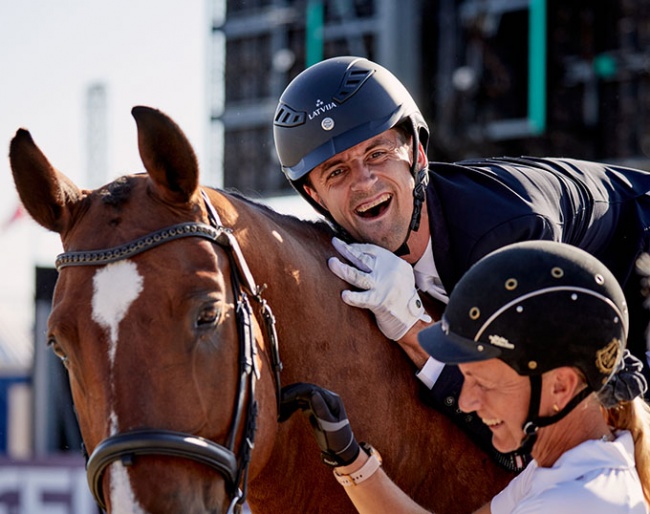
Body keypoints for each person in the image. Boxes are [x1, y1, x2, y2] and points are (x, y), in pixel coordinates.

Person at [273, 55, 650, 469]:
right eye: (336, 172)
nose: (364, 182)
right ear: (314, 197)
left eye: (378, 153)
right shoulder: (345, 247)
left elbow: (524, 430)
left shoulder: (508, 234)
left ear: (416, 154)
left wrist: (410, 327)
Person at [280, 241, 650, 513]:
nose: (468, 401)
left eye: (485, 383)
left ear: (561, 385)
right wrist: (350, 458)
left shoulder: (580, 501)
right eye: (467, 378)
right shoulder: (566, 465)